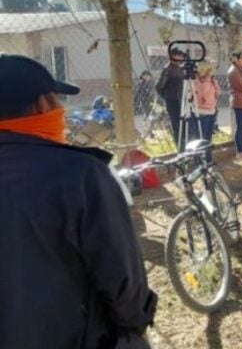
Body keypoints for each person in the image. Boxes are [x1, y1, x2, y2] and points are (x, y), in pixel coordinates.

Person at [0, 54, 157, 348]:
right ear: (43, 105)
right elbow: (124, 285)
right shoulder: (80, 176)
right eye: (57, 100)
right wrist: (137, 326)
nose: (61, 109)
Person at [156, 48, 185, 150]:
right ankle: (180, 148)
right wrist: (168, 98)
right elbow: (159, 86)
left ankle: (185, 147)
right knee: (177, 126)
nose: (181, 58)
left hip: (182, 101)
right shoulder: (167, 69)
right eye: (179, 55)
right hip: (173, 102)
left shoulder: (180, 69)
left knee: (185, 126)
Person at [193, 61, 221, 162]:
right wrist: (207, 80)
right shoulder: (197, 81)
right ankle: (201, 160)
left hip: (211, 111)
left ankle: (208, 159)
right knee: (202, 137)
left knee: (208, 137)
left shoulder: (211, 81)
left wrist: (214, 82)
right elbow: (203, 93)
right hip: (202, 112)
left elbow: (218, 93)